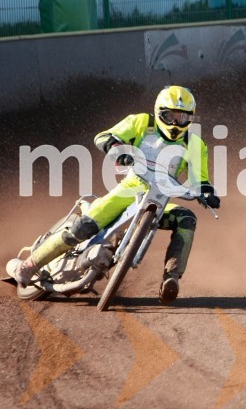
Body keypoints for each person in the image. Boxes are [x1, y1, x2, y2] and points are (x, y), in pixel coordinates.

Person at [13, 85, 220, 303]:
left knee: (186, 219)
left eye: (183, 117)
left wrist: (207, 194)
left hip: (161, 200)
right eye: (170, 116)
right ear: (159, 112)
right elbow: (104, 136)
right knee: (83, 227)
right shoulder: (141, 122)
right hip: (129, 190)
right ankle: (30, 265)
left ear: (191, 118)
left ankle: (172, 277)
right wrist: (116, 148)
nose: (176, 123)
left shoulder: (196, 144)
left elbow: (201, 181)